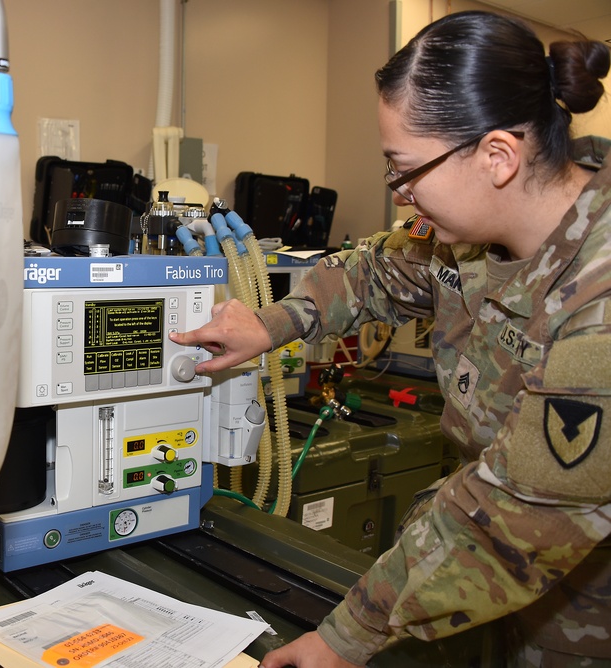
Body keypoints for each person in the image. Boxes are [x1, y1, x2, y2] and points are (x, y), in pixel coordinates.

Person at [170, 10, 611, 668]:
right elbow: (378, 270)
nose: (402, 197)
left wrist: (346, 637)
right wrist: (271, 323)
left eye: (406, 171)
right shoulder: (470, 243)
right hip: (487, 590)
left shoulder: (600, 300)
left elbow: (514, 513)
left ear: (498, 157)